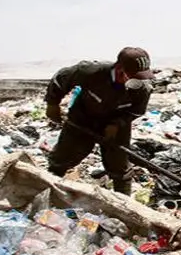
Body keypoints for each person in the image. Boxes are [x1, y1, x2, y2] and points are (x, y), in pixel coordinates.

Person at [44, 47, 154, 195]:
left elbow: (137, 111)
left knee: (119, 167)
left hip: (116, 124)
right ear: (120, 69)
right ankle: (46, 190)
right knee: (61, 159)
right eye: (133, 76)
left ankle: (123, 202)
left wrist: (117, 124)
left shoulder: (142, 88)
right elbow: (61, 79)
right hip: (82, 118)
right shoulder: (91, 71)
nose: (138, 81)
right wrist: (52, 104)